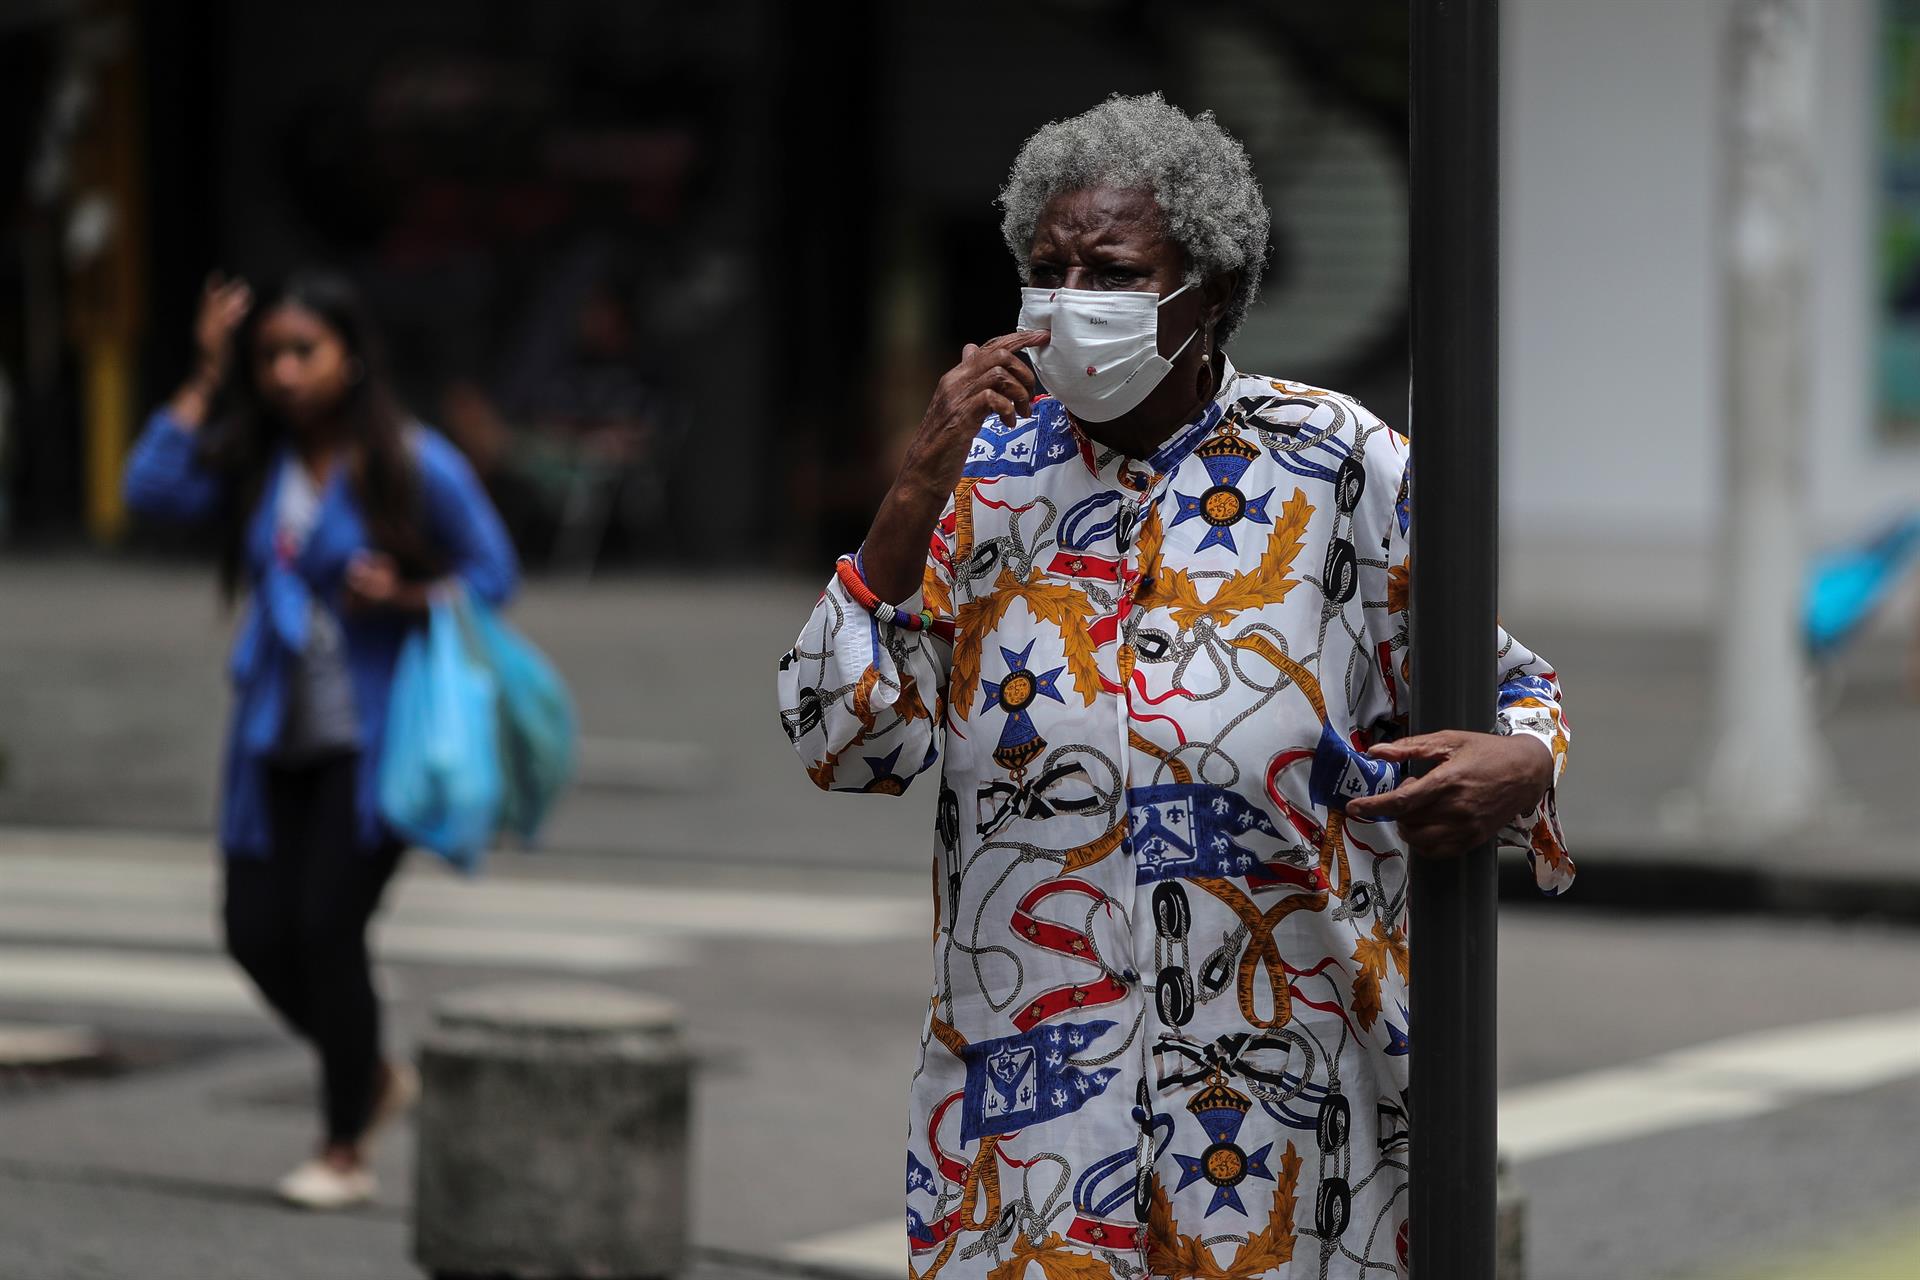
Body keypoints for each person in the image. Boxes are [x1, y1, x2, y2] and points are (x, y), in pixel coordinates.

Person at [776, 94, 1573, 1280]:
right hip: (1032, 1129)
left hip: (1285, 1125)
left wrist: (1531, 760)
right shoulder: (981, 480)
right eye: (1046, 269)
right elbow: (845, 743)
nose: (1067, 300)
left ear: (1207, 292)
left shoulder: (1336, 464)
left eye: (1111, 269)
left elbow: (1513, 690)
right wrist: (910, 495)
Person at [124, 269, 518, 1209]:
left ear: (350, 358)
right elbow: (149, 488)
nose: (285, 372)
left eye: (304, 351)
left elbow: (493, 572)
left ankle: (344, 1145)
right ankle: (370, 1072)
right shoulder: (258, 461)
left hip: (375, 739)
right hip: (272, 736)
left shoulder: (412, 462)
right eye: (269, 357)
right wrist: (206, 373)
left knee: (326, 929)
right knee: (252, 932)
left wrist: (406, 596)